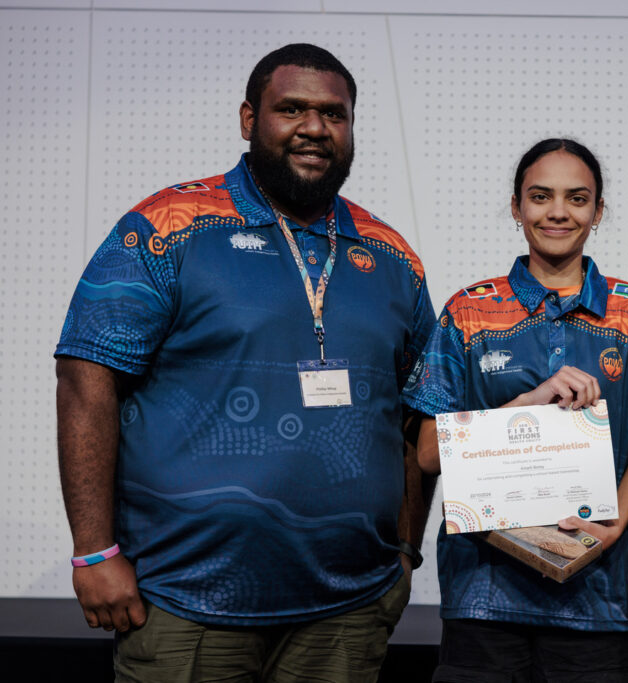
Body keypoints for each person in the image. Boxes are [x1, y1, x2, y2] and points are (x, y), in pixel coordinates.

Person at [54, 43, 435, 681]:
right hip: (186, 605)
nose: (315, 129)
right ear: (247, 118)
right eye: (292, 109)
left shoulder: (391, 254)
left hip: (347, 610)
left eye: (334, 115)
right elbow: (84, 380)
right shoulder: (165, 227)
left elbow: (419, 414)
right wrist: (94, 552)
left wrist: (404, 552)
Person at [402, 138, 628, 681]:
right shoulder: (469, 310)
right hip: (484, 595)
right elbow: (431, 455)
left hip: (597, 599)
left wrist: (613, 527)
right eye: (540, 196)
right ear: (516, 207)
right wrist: (526, 404)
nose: (558, 212)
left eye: (577, 198)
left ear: (598, 212)